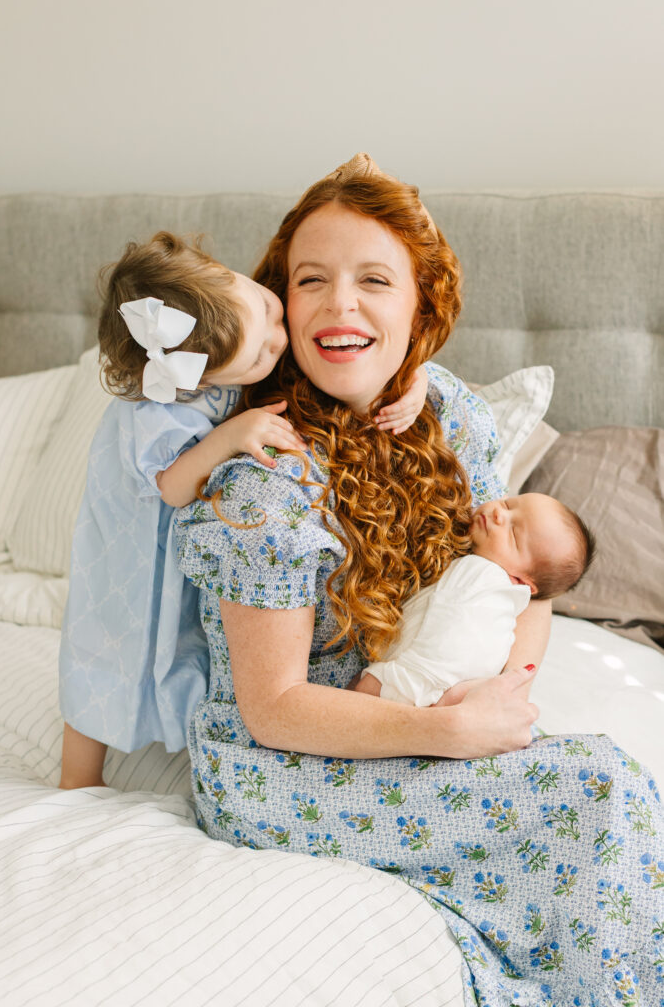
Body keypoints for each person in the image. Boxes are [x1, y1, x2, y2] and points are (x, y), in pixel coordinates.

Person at [175, 154, 663, 1005]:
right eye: (310, 280)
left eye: (374, 279)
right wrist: (443, 732)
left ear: (420, 305)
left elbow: (528, 592)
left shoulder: (454, 418)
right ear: (279, 305)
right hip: (285, 763)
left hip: (421, 713)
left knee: (614, 798)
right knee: (596, 790)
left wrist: (501, 692)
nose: (339, 305)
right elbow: (273, 707)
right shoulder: (263, 480)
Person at [58, 228, 432, 789]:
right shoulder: (160, 402)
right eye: (258, 355)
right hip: (133, 542)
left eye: (268, 312)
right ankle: (76, 781)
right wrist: (230, 435)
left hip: (182, 534)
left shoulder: (238, 319)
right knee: (110, 643)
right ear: (204, 378)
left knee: (190, 643)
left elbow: (366, 355)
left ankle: (176, 737)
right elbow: (171, 486)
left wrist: (416, 377)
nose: (279, 343)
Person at [353, 493, 596, 708]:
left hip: (400, 693)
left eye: (513, 533)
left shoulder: (482, 577)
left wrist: (375, 687)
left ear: (521, 581)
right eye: (508, 503)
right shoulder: (501, 603)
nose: (499, 513)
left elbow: (438, 659)